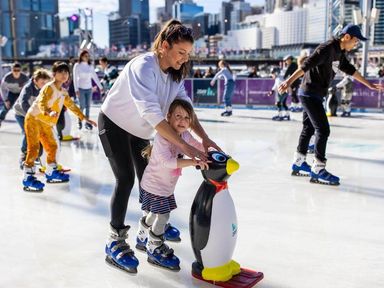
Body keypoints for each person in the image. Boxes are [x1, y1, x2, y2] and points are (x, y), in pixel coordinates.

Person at [99, 19, 220, 274]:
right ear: (164, 46)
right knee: (125, 179)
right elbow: (152, 114)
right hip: (114, 125)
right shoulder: (143, 66)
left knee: (151, 178)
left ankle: (148, 230)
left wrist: (204, 139)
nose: (184, 59)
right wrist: (187, 149)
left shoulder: (174, 76)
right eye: (181, 53)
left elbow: (185, 110)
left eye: (188, 54)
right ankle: (115, 240)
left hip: (140, 131)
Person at [279, 24, 383, 185]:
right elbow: (305, 66)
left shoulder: (339, 52)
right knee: (323, 129)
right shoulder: (327, 48)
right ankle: (318, 169)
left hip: (314, 94)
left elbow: (349, 69)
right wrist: (287, 81)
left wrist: (368, 84)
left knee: (309, 128)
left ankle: (299, 162)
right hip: (309, 93)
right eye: (355, 41)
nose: (356, 44)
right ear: (346, 37)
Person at [135, 99, 209, 271]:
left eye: (186, 118)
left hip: (165, 186)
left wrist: (211, 152)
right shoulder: (162, 136)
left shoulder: (184, 135)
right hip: (154, 185)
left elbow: (196, 145)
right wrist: (193, 161)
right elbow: (167, 162)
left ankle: (141, 235)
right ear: (168, 117)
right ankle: (154, 245)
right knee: (163, 216)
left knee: (153, 215)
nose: (182, 121)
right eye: (178, 116)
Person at [22, 62, 97, 192]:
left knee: (52, 146)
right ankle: (27, 178)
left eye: (66, 72)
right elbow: (42, 102)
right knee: (33, 148)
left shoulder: (63, 92)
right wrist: (48, 111)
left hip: (46, 123)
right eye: (60, 72)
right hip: (34, 119)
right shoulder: (49, 87)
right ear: (54, 74)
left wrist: (84, 118)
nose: (64, 75)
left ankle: (51, 172)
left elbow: (71, 106)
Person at [13, 69, 51, 168]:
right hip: (21, 113)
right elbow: (23, 103)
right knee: (28, 132)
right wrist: (31, 115)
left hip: (34, 114)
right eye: (42, 82)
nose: (44, 84)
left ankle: (37, 156)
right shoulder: (28, 88)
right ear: (35, 80)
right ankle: (23, 155)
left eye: (45, 82)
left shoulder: (44, 88)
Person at [73, 50, 103, 130]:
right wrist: (76, 90)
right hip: (81, 89)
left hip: (89, 89)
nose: (87, 57)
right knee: (82, 106)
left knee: (88, 107)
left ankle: (88, 123)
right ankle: (79, 121)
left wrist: (100, 87)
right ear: (81, 56)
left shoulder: (90, 66)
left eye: (88, 56)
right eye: (85, 56)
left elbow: (95, 77)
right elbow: (75, 78)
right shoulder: (77, 65)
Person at [0, 62, 29, 127]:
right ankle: (0, 118)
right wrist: (5, 100)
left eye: (18, 70)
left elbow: (28, 88)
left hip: (21, 93)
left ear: (20, 70)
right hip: (12, 93)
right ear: (11, 70)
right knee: (7, 106)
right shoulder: (7, 77)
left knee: (24, 106)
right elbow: (2, 89)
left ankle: (27, 120)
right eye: (14, 70)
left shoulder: (24, 77)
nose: (16, 72)